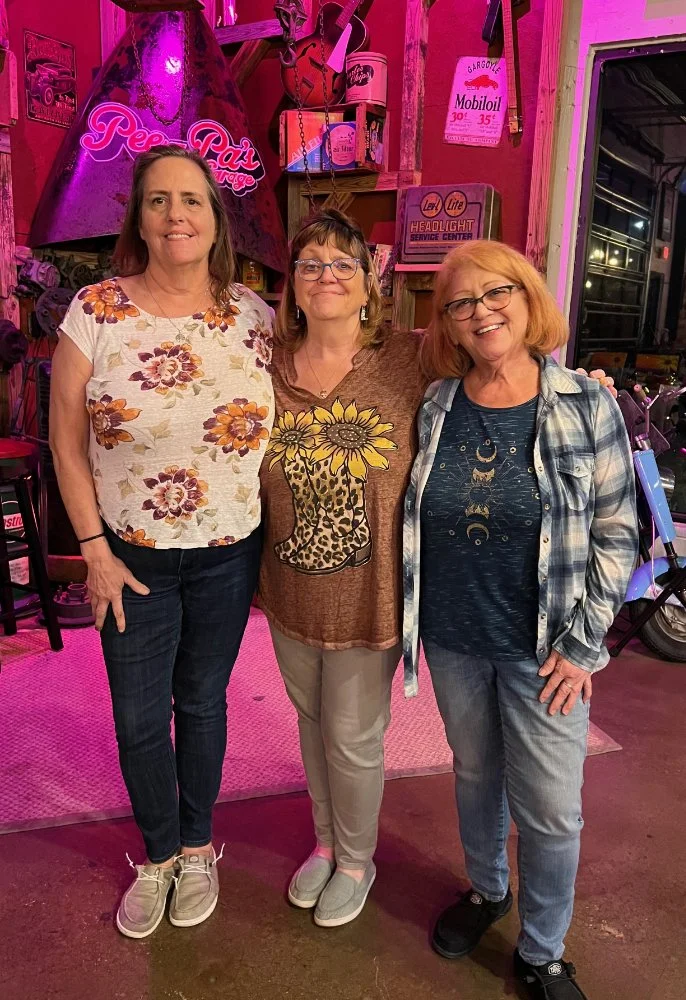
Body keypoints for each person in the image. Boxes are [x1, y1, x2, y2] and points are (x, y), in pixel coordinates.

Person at [402, 240, 638, 999]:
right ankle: (487, 889)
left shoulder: (583, 401)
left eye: (496, 292)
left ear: (528, 297)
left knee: (550, 810)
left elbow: (617, 532)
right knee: (475, 777)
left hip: (546, 650)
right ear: (449, 324)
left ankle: (542, 950)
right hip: (453, 635)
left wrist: (583, 645)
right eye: (462, 303)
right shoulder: (437, 401)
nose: (482, 312)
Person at [50, 145, 274, 939]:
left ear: (217, 221)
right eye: (157, 201)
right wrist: (92, 546)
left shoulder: (255, 316)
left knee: (202, 704)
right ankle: (155, 858)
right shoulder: (96, 310)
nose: (175, 214)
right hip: (129, 555)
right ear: (137, 218)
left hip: (227, 552)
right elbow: (65, 442)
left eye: (191, 200)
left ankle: (195, 844)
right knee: (140, 718)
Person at [257, 209, 427, 927]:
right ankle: (326, 845)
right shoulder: (262, 365)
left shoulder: (412, 358)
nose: (327, 275)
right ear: (292, 287)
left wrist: (582, 383)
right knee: (309, 720)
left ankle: (357, 859)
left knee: (353, 735)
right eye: (310, 264)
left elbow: (502, 362)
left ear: (369, 285)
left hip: (373, 592)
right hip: (289, 585)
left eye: (343, 263)